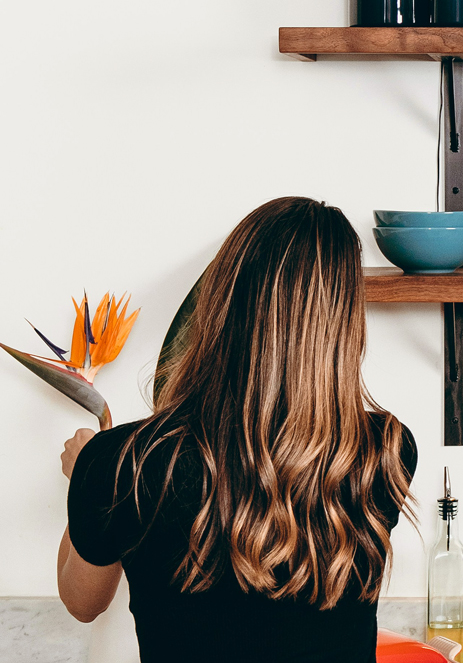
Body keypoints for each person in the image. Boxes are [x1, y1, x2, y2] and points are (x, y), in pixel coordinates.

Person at [57, 196, 418, 662]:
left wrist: (83, 478)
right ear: (344, 323)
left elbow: (82, 602)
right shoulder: (383, 450)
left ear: (219, 302)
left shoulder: (121, 460)